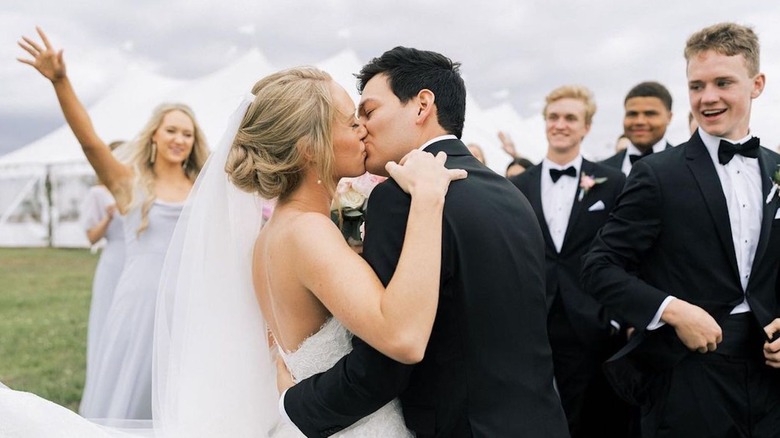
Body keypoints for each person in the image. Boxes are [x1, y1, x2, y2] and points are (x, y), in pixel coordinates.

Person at [281, 46, 569, 437]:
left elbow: (384, 366)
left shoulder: (401, 198)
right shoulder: (511, 195)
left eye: (369, 111)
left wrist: (294, 405)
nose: (361, 128)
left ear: (421, 106)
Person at [582, 22, 780, 437]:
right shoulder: (656, 174)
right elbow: (599, 267)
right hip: (687, 373)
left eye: (723, 82)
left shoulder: (776, 167)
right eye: (696, 86)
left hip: (769, 378)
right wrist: (673, 310)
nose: (707, 98)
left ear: (757, 84)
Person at [17, 27, 210, 420]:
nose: (179, 139)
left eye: (187, 134)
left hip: (187, 304)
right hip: (138, 303)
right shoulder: (128, 184)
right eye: (171, 130)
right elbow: (90, 142)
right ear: (154, 135)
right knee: (128, 392)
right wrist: (61, 81)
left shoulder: (203, 189)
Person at [509, 85, 629, 437]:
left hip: (592, 319)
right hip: (532, 318)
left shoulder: (613, 182)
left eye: (570, 118)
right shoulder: (516, 185)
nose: (560, 125)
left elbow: (623, 251)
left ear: (586, 127)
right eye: (554, 117)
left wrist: (615, 316)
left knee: (590, 419)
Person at [78, 140, 126, 417]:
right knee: (107, 322)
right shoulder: (98, 194)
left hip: (137, 263)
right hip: (112, 262)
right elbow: (91, 238)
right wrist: (108, 218)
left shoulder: (138, 189)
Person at [601, 81, 674, 175]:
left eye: (650, 114)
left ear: (669, 117)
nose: (640, 121)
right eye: (632, 114)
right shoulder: (603, 170)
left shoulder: (686, 167)